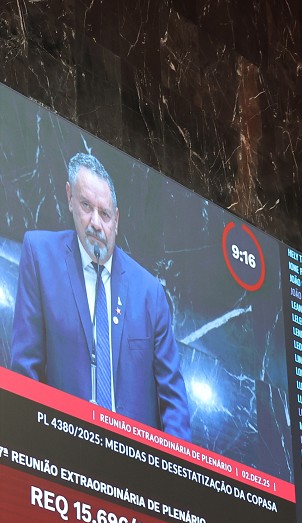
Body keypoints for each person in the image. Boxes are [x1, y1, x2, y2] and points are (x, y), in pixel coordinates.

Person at [10, 151, 190, 439]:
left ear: (116, 220)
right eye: (86, 206)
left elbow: (174, 403)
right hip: (61, 447)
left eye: (105, 214)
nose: (95, 222)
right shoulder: (40, 256)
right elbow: (25, 369)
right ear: (69, 197)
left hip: (133, 459)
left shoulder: (149, 292)